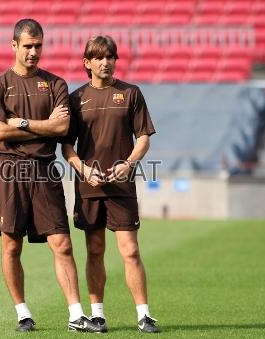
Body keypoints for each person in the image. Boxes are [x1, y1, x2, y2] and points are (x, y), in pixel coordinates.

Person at [0, 19, 104, 333]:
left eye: (38, 46)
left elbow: (62, 128)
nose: (34, 52)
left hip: (44, 170)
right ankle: (22, 312)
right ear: (14, 46)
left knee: (62, 243)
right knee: (11, 245)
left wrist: (20, 122)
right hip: (9, 170)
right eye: (28, 46)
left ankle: (77, 315)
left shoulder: (55, 84)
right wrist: (41, 124)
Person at [61, 35, 161, 333]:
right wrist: (83, 170)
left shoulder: (131, 93)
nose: (106, 62)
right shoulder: (76, 99)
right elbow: (66, 147)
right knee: (94, 250)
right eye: (99, 57)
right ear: (87, 63)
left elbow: (143, 138)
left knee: (130, 250)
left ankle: (144, 315)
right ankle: (98, 314)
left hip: (122, 187)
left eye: (111, 57)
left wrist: (128, 164)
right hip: (89, 187)